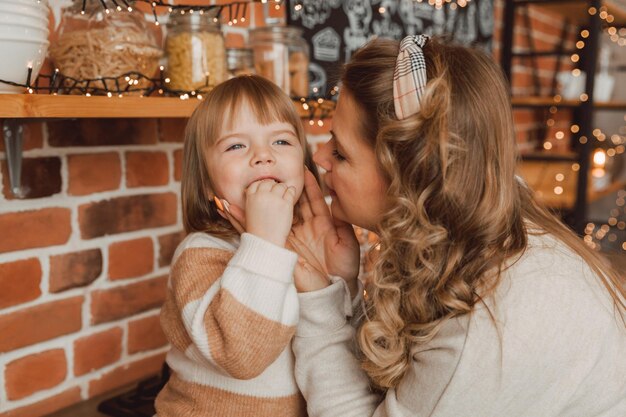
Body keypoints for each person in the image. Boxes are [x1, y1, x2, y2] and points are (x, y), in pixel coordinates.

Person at [289, 35, 626, 416]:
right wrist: (345, 283)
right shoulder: (472, 217)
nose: (319, 157)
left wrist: (319, 304)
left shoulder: (485, 326)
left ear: (409, 175)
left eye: (340, 152)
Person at [154, 75, 319, 417]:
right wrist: (264, 242)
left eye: (282, 142)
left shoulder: (307, 243)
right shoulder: (201, 253)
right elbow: (241, 356)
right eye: (236, 146)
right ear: (205, 180)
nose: (263, 156)